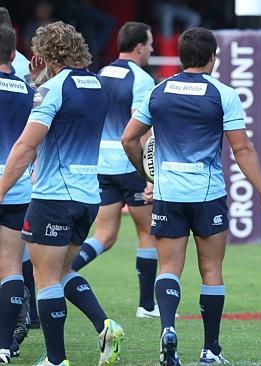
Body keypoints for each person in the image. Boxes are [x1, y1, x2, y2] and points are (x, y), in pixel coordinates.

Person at [121, 27, 261, 365]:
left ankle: (167, 329)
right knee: (211, 269)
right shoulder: (224, 94)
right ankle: (210, 350)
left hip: (168, 193)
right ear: (212, 57)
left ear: (180, 57)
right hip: (207, 195)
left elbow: (128, 140)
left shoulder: (159, 91)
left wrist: (147, 174)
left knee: (169, 267)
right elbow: (242, 149)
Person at [0, 21, 124, 366]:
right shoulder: (97, 84)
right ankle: (106, 324)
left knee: (45, 279)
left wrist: (1, 190)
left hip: (54, 195)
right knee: (64, 271)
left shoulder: (53, 89)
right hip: (88, 196)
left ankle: (56, 359)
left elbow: (26, 145)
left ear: (45, 54)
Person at [68, 21, 160, 319]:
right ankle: (147, 306)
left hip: (101, 165)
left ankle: (63, 273)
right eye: (150, 43)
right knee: (148, 233)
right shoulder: (142, 79)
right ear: (139, 47)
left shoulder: (101, 73)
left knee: (105, 235)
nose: (153, 48)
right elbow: (140, 128)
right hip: (129, 164)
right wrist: (150, 172)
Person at [0, 7, 39, 335]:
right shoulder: (30, 93)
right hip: (18, 185)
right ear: (14, 54)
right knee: (12, 267)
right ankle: (7, 340)